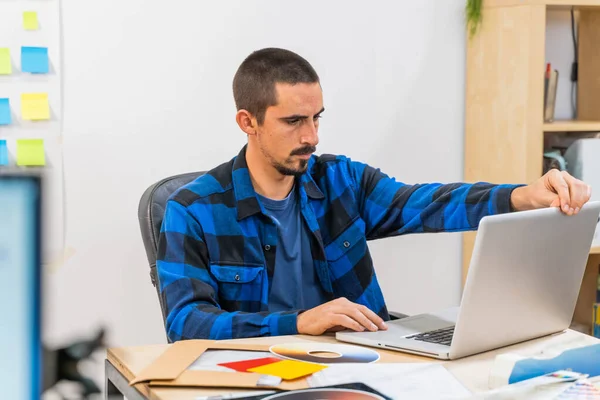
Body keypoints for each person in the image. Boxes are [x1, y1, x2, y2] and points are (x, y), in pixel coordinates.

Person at [156, 48, 592, 342]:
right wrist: (298, 323)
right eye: (294, 121)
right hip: (262, 379)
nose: (312, 136)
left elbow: (428, 204)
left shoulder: (340, 180)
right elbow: (185, 323)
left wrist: (523, 196)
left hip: (364, 363)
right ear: (247, 122)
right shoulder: (193, 209)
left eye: (317, 118)